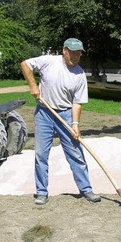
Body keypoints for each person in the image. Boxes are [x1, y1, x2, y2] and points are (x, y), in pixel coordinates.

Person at [20, 38, 101, 206]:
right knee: (41, 154)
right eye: (73, 53)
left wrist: (75, 124)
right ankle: (42, 192)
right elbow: (25, 64)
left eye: (79, 53)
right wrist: (33, 86)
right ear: (64, 50)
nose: (76, 56)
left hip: (65, 115)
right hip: (44, 112)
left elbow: (77, 103)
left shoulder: (79, 75)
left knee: (75, 153)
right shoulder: (49, 61)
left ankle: (86, 189)